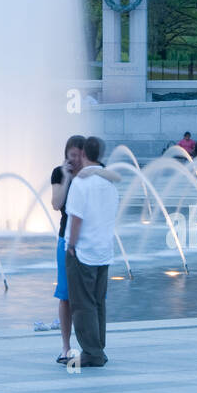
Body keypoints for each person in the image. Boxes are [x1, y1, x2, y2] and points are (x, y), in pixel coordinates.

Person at [65, 136, 121, 368]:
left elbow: (76, 218)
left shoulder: (82, 182)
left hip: (84, 250)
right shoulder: (109, 182)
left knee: (82, 303)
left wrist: (71, 246)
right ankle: (99, 347)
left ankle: (91, 352)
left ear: (85, 154)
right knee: (98, 302)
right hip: (104, 250)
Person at [50, 135, 86, 363]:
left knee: (86, 297)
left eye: (79, 156)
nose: (75, 160)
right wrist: (66, 177)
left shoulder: (93, 173)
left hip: (89, 241)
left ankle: (89, 346)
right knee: (65, 296)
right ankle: (66, 347)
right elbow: (56, 204)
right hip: (66, 240)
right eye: (71, 156)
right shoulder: (59, 173)